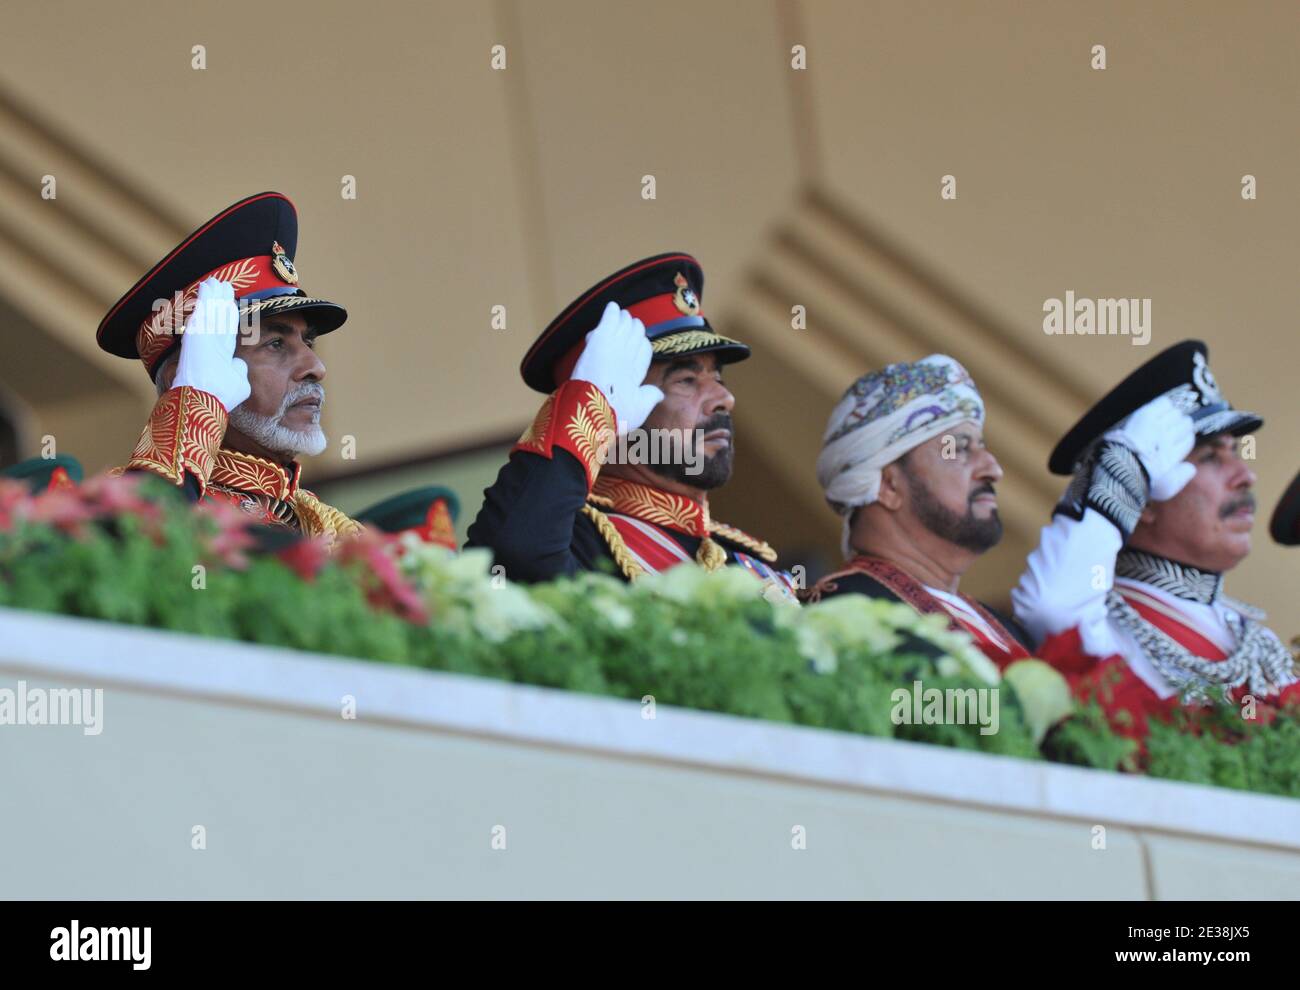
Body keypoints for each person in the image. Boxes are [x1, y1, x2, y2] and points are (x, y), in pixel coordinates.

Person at [1013, 340, 1299, 743]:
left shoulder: (1256, 642)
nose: (1245, 475)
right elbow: (1051, 606)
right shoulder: (1104, 619)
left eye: (1236, 452)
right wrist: (1122, 474)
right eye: (1210, 458)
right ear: (1144, 497)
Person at [467, 253, 795, 595]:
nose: (725, 399)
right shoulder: (577, 543)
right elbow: (515, 555)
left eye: (717, 377)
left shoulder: (745, 562)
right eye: (686, 380)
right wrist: (589, 406)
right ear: (616, 412)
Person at [96, 192, 359, 541]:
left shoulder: (330, 526)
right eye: (276, 344)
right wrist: (197, 399)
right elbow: (131, 544)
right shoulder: (123, 505)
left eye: (307, 343)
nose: (315, 367)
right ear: (185, 376)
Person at [802, 355, 1032, 666]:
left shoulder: (1007, 628)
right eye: (960, 448)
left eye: (982, 447)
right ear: (888, 486)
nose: (993, 468)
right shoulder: (843, 614)